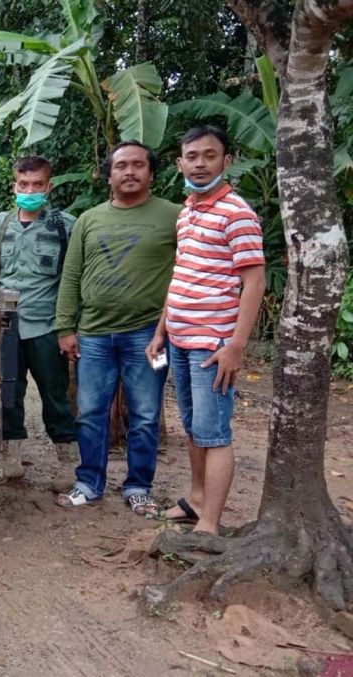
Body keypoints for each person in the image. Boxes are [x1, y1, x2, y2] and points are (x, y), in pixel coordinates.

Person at [146, 126, 265, 535]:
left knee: (213, 433)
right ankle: (196, 500)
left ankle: (211, 523)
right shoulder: (188, 212)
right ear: (180, 163)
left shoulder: (237, 213)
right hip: (179, 339)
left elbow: (255, 280)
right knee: (194, 427)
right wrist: (162, 331)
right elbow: (182, 275)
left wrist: (236, 345)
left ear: (226, 160)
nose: (199, 164)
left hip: (212, 344)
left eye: (209, 155)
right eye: (192, 156)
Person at [54, 141, 180, 516]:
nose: (129, 172)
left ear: (151, 173)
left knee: (145, 414)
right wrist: (65, 326)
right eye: (121, 166)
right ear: (108, 175)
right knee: (90, 412)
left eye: (138, 165)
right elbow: (71, 275)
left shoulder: (174, 216)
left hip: (149, 337)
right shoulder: (89, 220)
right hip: (93, 335)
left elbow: (188, 270)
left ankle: (139, 486)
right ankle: (89, 483)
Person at [0, 156, 78, 489]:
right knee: (8, 393)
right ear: (14, 186)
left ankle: (67, 464)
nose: (30, 191)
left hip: (47, 326)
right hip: (6, 326)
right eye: (23, 185)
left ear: (49, 187)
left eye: (37, 185)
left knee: (55, 395)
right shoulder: (1, 224)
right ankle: (11, 458)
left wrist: (69, 327)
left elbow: (72, 279)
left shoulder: (66, 226)